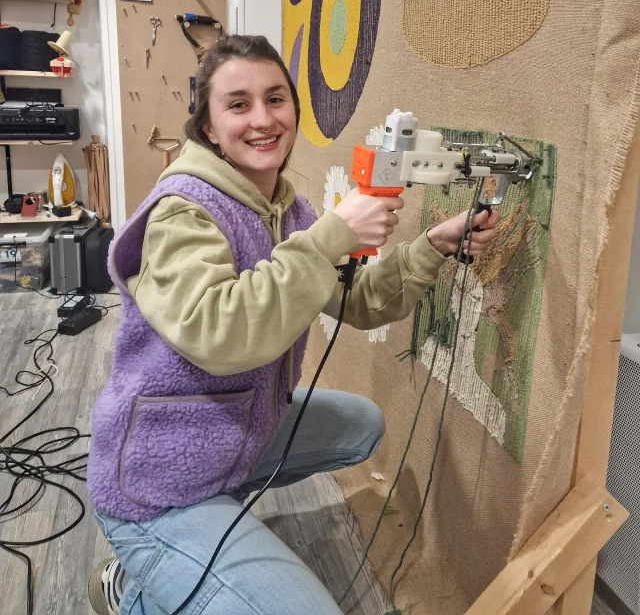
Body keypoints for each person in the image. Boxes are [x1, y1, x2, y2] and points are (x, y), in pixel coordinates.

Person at [86, 34, 500, 615]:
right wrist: (332, 235)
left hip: (227, 430)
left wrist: (433, 246)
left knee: (361, 426)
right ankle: (146, 576)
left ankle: (182, 558)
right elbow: (219, 332)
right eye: (238, 104)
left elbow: (359, 301)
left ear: (294, 112)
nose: (262, 118)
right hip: (157, 478)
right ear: (208, 127)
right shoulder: (182, 212)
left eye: (275, 99)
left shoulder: (286, 210)